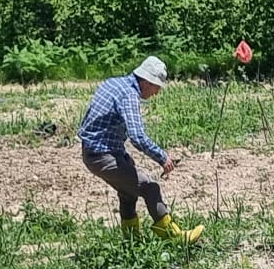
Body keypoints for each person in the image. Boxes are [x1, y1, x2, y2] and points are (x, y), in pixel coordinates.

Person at [78, 56, 200, 240]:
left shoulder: (114, 83)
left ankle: (131, 241)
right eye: (156, 87)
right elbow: (137, 136)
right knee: (150, 187)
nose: (156, 93)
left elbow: (99, 124)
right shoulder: (129, 95)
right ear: (146, 82)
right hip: (101, 154)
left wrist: (121, 155)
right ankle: (174, 237)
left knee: (128, 192)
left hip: (95, 150)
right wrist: (162, 157)